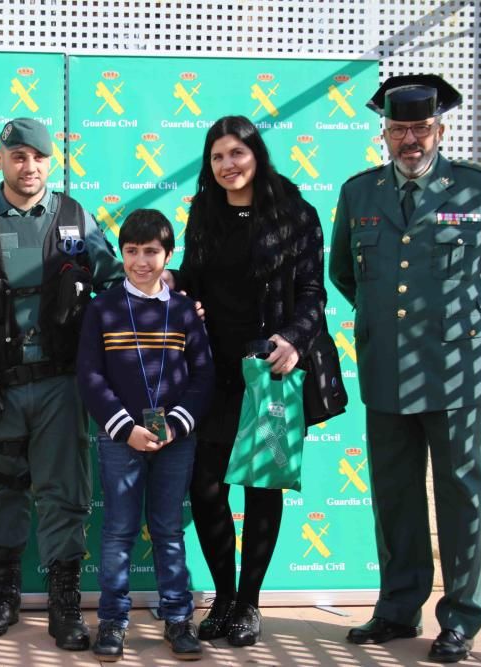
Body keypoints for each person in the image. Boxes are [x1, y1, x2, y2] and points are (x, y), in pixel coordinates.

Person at [330, 75, 481, 663]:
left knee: (460, 495)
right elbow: (345, 271)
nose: (410, 139)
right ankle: (397, 610)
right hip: (387, 369)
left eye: (421, 128)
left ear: (439, 129)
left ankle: (461, 620)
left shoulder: (477, 188)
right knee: (394, 498)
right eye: (399, 129)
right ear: (385, 133)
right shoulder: (360, 193)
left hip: (456, 372)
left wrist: (472, 332)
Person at [0, 117, 124, 650]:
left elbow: (116, 286)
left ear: (53, 162)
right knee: (1, 492)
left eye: (40, 158)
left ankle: (65, 605)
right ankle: (4, 596)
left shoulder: (74, 218)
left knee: (64, 494)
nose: (30, 167)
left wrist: (173, 301)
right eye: (19, 156)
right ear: (0, 159)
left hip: (60, 387)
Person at [175, 115, 326, 647]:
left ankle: (249, 602)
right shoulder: (203, 211)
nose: (227, 165)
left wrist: (293, 339)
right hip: (214, 370)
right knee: (207, 487)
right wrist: (174, 286)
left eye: (236, 153)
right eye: (217, 157)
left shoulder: (294, 213)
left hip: (269, 367)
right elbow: (192, 277)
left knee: (262, 486)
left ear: (256, 154)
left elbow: (314, 291)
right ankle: (223, 595)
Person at [77, 209, 214, 661]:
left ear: (168, 254)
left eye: (151, 251)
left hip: (176, 439)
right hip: (121, 439)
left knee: (168, 530)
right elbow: (90, 376)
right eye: (132, 251)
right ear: (121, 254)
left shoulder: (184, 310)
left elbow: (202, 376)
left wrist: (175, 424)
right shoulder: (103, 307)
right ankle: (113, 623)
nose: (141, 261)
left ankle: (177, 618)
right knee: (118, 532)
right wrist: (124, 427)